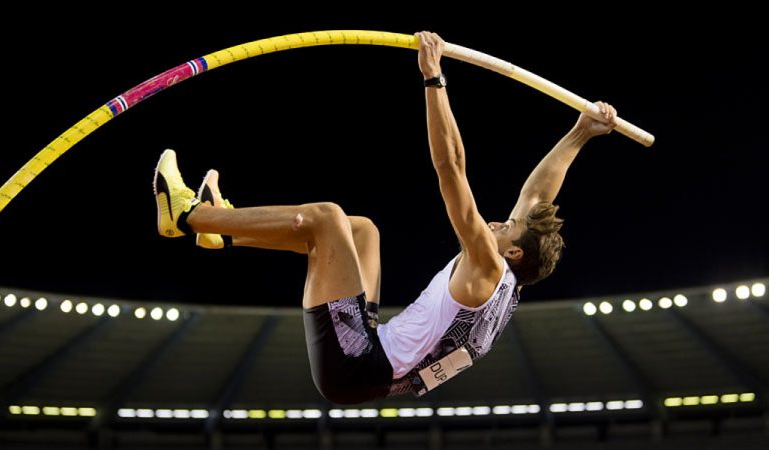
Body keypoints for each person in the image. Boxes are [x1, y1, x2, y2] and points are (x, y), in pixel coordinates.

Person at [152, 31, 618, 404]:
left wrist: (433, 77)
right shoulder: (508, 286)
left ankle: (189, 216)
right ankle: (223, 234)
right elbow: (537, 194)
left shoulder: (487, 267)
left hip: (356, 366)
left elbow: (451, 167)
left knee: (326, 219)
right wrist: (581, 132)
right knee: (361, 232)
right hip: (371, 354)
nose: (498, 222)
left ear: (513, 252)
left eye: (508, 227)